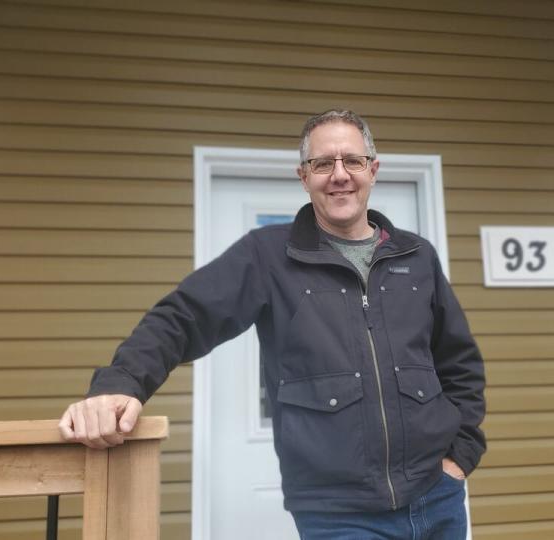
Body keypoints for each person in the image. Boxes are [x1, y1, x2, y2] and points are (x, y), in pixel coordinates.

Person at [59, 109, 486, 539]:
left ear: (373, 170)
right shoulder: (267, 256)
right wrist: (121, 382)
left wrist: (460, 458)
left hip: (437, 498)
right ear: (304, 177)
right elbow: (184, 316)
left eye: (352, 161)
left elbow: (460, 364)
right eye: (323, 163)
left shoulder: (417, 258)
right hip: (339, 515)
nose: (339, 175)